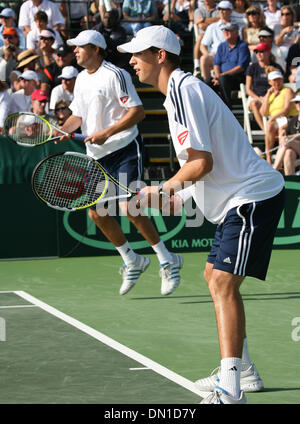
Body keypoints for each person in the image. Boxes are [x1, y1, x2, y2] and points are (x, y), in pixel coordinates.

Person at [118, 24, 285, 404]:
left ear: (160, 55)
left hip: (252, 195)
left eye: (138, 53)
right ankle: (242, 370)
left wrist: (161, 188)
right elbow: (198, 167)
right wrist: (167, 199)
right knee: (214, 275)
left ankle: (231, 390)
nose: (131, 61)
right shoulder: (178, 94)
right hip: (236, 199)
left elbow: (202, 162)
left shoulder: (182, 89)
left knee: (223, 282)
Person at [58, 30, 183, 296]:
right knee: (95, 212)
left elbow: (138, 112)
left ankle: (166, 258)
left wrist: (107, 132)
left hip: (125, 148)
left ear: (94, 48)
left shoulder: (116, 75)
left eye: (79, 47)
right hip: (96, 156)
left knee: (129, 206)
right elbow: (77, 116)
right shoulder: (80, 79)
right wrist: (62, 129)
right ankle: (132, 260)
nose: (75, 51)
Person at [208, 22, 250, 109]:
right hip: (222, 77)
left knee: (223, 79)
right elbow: (216, 64)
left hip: (237, 77)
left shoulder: (243, 46)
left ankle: (227, 107)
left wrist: (222, 75)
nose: (226, 33)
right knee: (208, 81)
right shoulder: (221, 46)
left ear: (236, 33)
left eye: (229, 31)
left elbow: (241, 67)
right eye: (224, 31)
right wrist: (217, 75)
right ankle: (212, 107)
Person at [260, 67, 297, 164]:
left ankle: (279, 160)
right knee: (270, 126)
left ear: (282, 79)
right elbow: (263, 112)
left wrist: (272, 118)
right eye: (274, 80)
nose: (277, 82)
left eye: (279, 79)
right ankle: (269, 158)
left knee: (277, 126)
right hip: (276, 120)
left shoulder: (287, 90)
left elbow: (286, 109)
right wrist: (267, 95)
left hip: (288, 118)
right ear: (269, 82)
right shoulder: (270, 94)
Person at [246, 42, 284, 131]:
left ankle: (279, 130)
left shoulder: (276, 66)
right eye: (256, 52)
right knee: (254, 104)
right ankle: (265, 131)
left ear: (268, 52)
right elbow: (248, 89)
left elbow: (281, 83)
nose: (258, 54)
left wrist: (271, 96)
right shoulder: (252, 67)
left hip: (274, 95)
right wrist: (260, 99)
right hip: (257, 97)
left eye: (261, 51)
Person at [200, 0, 236, 81]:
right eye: (219, 9)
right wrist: (208, 54)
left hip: (233, 55)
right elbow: (202, 45)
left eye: (224, 9)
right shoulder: (212, 27)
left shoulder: (236, 26)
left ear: (230, 11)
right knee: (204, 59)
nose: (221, 11)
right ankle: (208, 86)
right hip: (216, 56)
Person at [273, 94, 300, 175]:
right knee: (288, 153)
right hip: (294, 147)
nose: (298, 104)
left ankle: (274, 170)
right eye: (297, 102)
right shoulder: (292, 120)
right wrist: (281, 132)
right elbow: (283, 137)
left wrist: (287, 137)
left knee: (287, 141)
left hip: (295, 144)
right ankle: (290, 182)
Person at [193, 0, 219, 78]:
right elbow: (201, 26)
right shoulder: (198, 10)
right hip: (204, 36)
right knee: (200, 37)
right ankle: (197, 66)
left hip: (215, 35)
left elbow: (220, 20)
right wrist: (214, 21)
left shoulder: (219, 9)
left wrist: (203, 19)